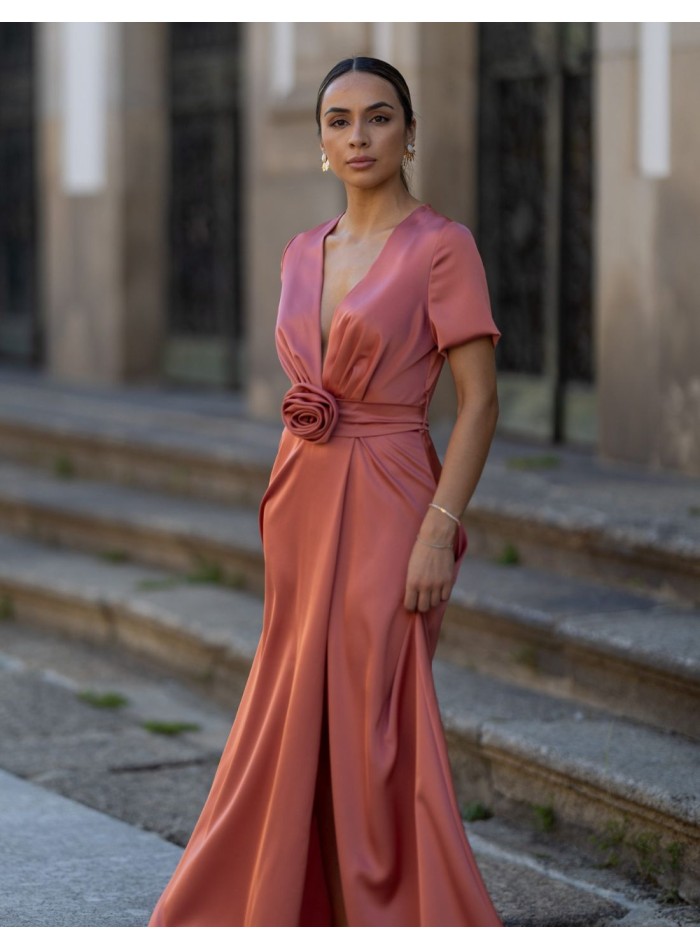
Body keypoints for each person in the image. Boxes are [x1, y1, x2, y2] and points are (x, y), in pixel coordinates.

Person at [149, 55, 502, 927]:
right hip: (301, 501)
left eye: (379, 118)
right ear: (319, 142)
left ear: (410, 132)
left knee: (379, 719)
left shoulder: (442, 246)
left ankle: (394, 914)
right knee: (294, 709)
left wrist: (438, 529)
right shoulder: (302, 251)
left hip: (393, 500)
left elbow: (481, 401)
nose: (360, 136)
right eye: (340, 121)